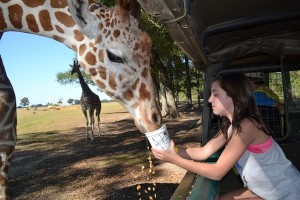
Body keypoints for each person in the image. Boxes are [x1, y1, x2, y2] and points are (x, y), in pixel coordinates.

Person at [151, 73, 300, 200]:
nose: (209, 100)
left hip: (286, 193)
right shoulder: (230, 125)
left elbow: (217, 172)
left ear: (234, 97)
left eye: (215, 94)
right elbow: (203, 152)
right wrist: (170, 149)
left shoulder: (247, 125)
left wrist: (174, 160)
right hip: (264, 190)